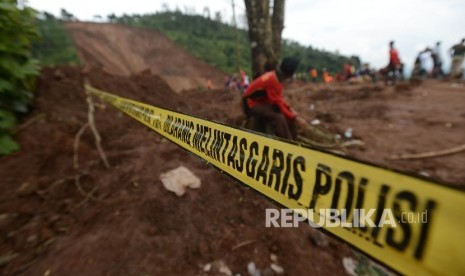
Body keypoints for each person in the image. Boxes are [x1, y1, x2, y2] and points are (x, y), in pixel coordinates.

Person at [242, 57, 304, 140]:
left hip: (260, 102)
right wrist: (293, 117)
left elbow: (279, 99)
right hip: (250, 104)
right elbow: (278, 104)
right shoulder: (273, 81)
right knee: (279, 118)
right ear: (289, 74)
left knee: (282, 114)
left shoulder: (275, 76)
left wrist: (289, 109)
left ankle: (291, 138)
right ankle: (288, 142)